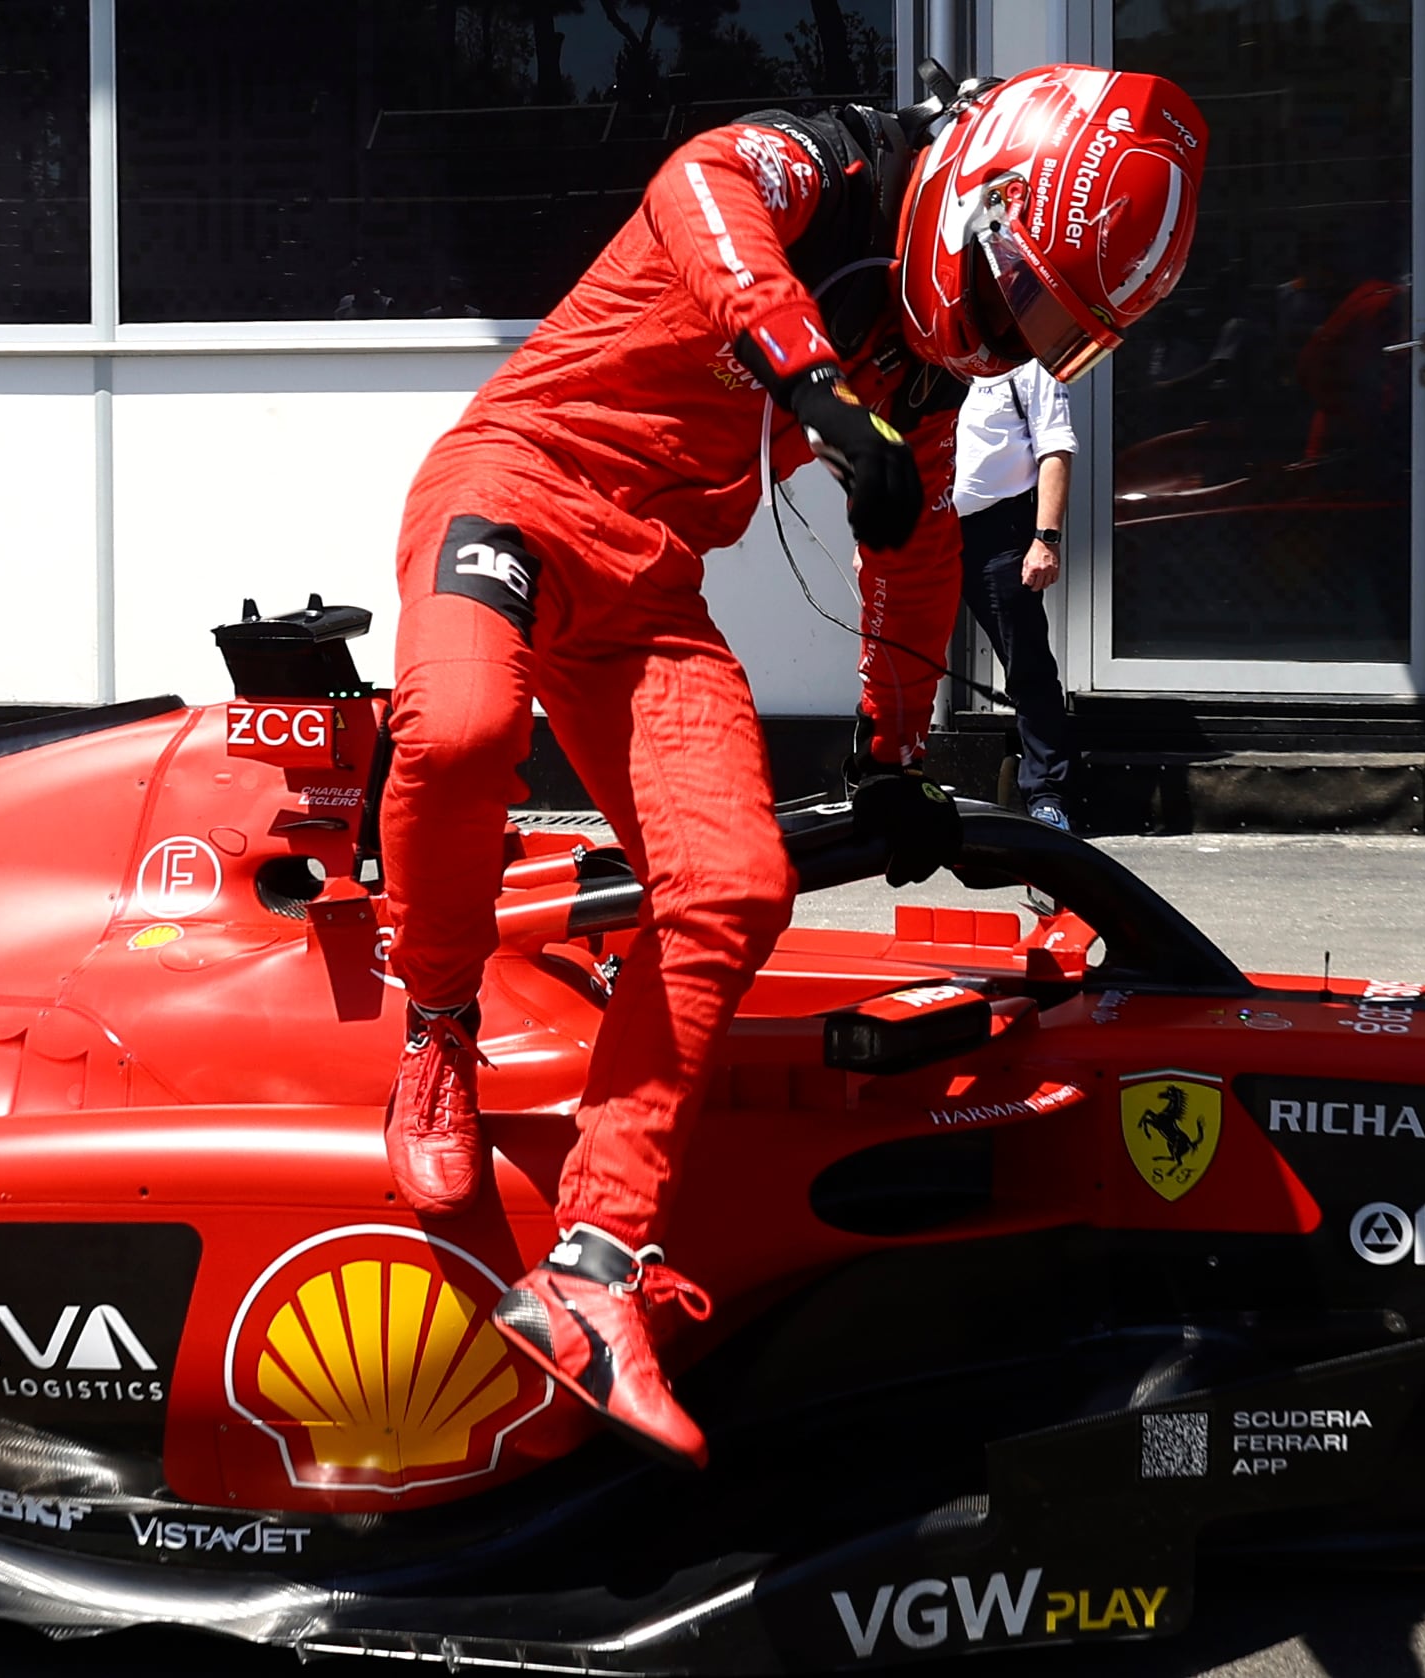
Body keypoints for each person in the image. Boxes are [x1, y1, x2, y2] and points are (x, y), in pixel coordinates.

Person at [376, 66, 1207, 1468]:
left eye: (1052, 328)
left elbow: (916, 547)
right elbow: (695, 182)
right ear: (984, 191)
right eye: (1022, 291)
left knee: (736, 885)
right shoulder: (830, 171)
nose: (1009, 333)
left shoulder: (930, 378)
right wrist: (812, 384)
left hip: (647, 594)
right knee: (460, 731)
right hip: (509, 492)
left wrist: (892, 748)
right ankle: (436, 1028)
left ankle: (590, 1268)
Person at [952, 364, 1080, 828]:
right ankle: (892, 781)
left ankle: (1047, 796)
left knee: (1027, 666)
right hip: (925, 527)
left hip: (998, 532)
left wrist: (1046, 539)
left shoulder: (1028, 364)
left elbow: (1055, 448)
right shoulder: (930, 358)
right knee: (900, 659)